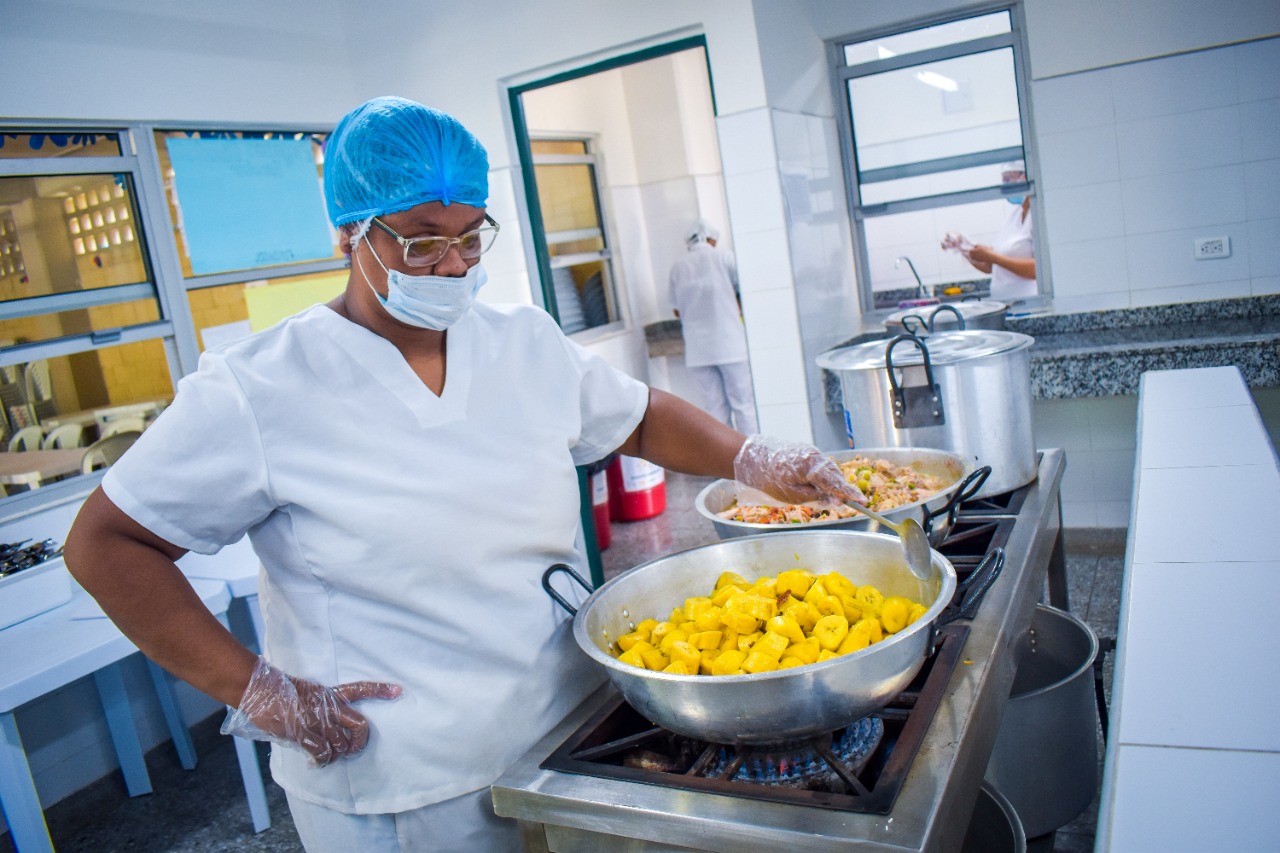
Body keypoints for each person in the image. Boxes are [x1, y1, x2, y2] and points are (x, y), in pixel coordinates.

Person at [62, 96, 865, 853]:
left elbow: (638, 414)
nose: (450, 265)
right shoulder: (261, 386)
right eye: (420, 239)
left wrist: (751, 456)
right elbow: (106, 543)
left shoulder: (519, 341)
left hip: (563, 730)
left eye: (470, 236)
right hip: (401, 780)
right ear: (350, 233)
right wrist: (262, 691)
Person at [668, 218, 758, 434]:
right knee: (744, 406)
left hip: (699, 351)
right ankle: (752, 462)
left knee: (714, 411)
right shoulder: (724, 257)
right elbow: (746, 290)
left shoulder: (677, 268)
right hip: (730, 346)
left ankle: (724, 465)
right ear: (711, 239)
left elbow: (676, 310)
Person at [942, 160, 1036, 302]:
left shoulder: (1036, 217)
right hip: (1006, 303)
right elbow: (990, 267)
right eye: (1003, 180)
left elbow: (1036, 270)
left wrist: (993, 257)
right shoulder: (1013, 217)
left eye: (1009, 179)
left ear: (1026, 177)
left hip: (1029, 303)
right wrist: (963, 246)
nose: (1005, 185)